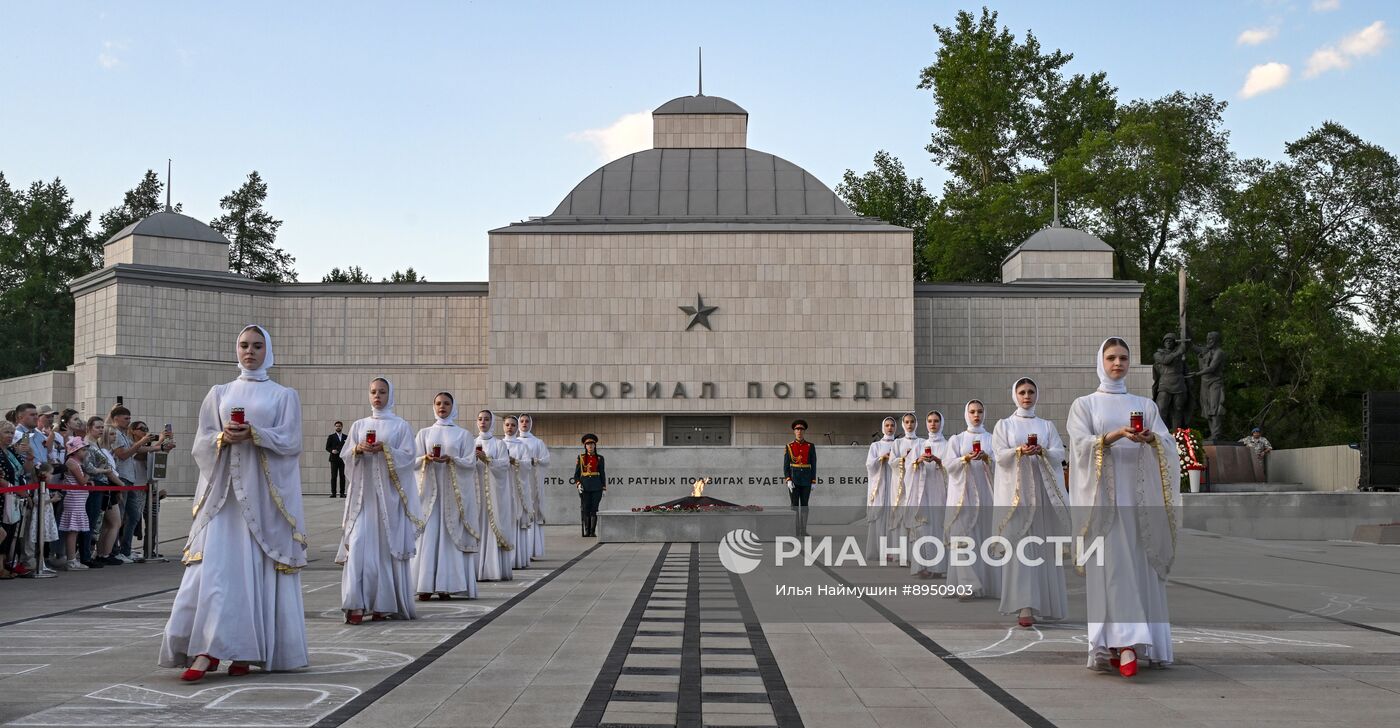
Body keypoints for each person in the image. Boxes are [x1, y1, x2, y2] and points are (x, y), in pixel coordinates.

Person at [160, 325, 309, 681]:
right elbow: (201, 441)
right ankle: (207, 649)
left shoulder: (283, 395)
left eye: (257, 346)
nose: (250, 352)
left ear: (267, 350)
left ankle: (243, 650)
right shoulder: (219, 392)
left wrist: (256, 434)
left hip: (263, 500)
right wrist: (222, 438)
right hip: (224, 499)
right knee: (217, 572)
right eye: (244, 345)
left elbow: (291, 442)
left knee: (251, 573)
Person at [1067, 337, 1180, 678]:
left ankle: (1130, 642)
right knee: (1114, 569)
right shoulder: (1085, 405)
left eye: (1124, 358)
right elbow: (1080, 445)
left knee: (1139, 566)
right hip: (1105, 503)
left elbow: (1168, 443)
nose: (1118, 363)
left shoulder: (1145, 404)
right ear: (1100, 361)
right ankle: (1124, 643)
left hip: (1140, 502)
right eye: (1112, 357)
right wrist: (1114, 435)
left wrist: (1151, 439)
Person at [337, 377, 423, 624]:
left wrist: (386, 449)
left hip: (389, 500)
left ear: (390, 395)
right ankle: (355, 604)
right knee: (359, 544)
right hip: (363, 499)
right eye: (373, 392)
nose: (377, 396)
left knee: (385, 551)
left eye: (382, 392)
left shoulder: (400, 426)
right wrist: (357, 450)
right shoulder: (358, 425)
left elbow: (409, 459)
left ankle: (382, 604)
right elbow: (346, 457)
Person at [992, 378, 1070, 628]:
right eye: (1022, 392)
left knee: (1043, 549)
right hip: (1017, 498)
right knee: (1021, 549)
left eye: (1031, 392)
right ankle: (1024, 604)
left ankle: (1046, 603)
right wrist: (1019, 451)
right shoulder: (1004, 425)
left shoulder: (1046, 426)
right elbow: (999, 455)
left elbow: (1060, 453)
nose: (1027, 396)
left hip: (1042, 497)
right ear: (1014, 395)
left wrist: (1043, 452)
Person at [412, 392, 480, 600]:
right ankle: (424, 585)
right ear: (433, 406)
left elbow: (471, 463)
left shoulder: (463, 435)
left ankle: (446, 585)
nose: (442, 407)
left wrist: (452, 460)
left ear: (453, 406)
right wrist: (426, 458)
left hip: (452, 495)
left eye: (447, 403)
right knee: (429, 536)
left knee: (449, 538)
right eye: (439, 403)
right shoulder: (424, 434)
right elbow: (411, 461)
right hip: (430, 495)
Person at [945, 400, 998, 599]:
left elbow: (1001, 465)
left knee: (984, 539)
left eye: (980, 411)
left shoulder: (992, 439)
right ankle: (967, 585)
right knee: (961, 538)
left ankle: (986, 583)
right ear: (966, 413)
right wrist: (964, 459)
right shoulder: (957, 440)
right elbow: (949, 466)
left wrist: (987, 459)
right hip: (962, 496)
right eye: (973, 411)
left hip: (985, 494)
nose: (977, 415)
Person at [901, 411, 949, 579]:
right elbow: (908, 469)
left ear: (941, 423)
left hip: (940, 492)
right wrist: (917, 463)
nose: (933, 424)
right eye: (929, 421)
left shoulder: (948, 445)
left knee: (938, 528)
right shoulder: (919, 446)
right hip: (921, 494)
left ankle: (938, 567)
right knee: (922, 528)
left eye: (936, 421)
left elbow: (952, 469)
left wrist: (938, 462)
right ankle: (923, 565)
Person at [474, 410, 515, 580]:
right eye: (480, 419)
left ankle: (493, 568)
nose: (483, 422)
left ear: (492, 422)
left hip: (494, 494)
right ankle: (475, 568)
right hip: (476, 493)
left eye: (487, 419)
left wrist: (487, 460)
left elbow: (504, 466)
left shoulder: (499, 445)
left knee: (492, 527)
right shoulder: (470, 442)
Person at [865, 417, 899, 560]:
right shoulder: (876, 446)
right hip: (880, 485)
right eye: (887, 425)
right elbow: (869, 465)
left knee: (893, 516)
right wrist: (881, 458)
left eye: (892, 425)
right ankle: (880, 550)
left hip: (895, 483)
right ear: (883, 427)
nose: (889, 428)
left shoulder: (899, 444)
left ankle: (893, 551)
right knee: (880, 517)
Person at [501, 416, 534, 569]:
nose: (510, 428)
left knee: (516, 521)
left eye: (513, 425)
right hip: (501, 487)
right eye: (507, 425)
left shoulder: (521, 446)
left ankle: (517, 558)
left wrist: (515, 462)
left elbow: (528, 465)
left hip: (516, 487)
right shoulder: (498, 444)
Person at [517, 414, 549, 559]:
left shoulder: (537, 442)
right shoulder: (514, 442)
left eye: (527, 421)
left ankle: (531, 550)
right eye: (522, 421)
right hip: (518, 482)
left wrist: (534, 461)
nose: (524, 423)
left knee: (533, 511)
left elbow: (545, 459)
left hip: (533, 481)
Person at [783, 419, 817, 537]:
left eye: (801, 429)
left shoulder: (810, 446)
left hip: (806, 480)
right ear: (794, 431)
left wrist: (813, 480)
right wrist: (788, 479)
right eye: (797, 429)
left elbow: (814, 464)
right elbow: (786, 465)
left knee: (804, 506)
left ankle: (803, 530)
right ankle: (795, 530)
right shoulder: (789, 446)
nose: (799, 431)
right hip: (794, 479)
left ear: (804, 431)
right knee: (794, 506)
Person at [570, 434, 605, 538]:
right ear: (585, 446)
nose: (590, 446)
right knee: (586, 508)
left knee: (594, 508)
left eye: (592, 444)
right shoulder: (580, 458)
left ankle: (592, 531)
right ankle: (587, 530)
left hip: (596, 486)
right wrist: (578, 484)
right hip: (584, 486)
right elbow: (576, 475)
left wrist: (604, 487)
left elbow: (602, 473)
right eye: (588, 444)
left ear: (595, 445)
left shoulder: (600, 458)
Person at [327, 421, 348, 498]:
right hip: (334, 459)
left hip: (342, 459)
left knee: (342, 476)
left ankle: (342, 493)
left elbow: (348, 447)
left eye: (339, 426)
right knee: (333, 476)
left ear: (342, 427)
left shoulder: (346, 437)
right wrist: (332, 450)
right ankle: (333, 493)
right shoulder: (331, 437)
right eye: (336, 426)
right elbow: (327, 447)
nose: (338, 427)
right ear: (334, 427)